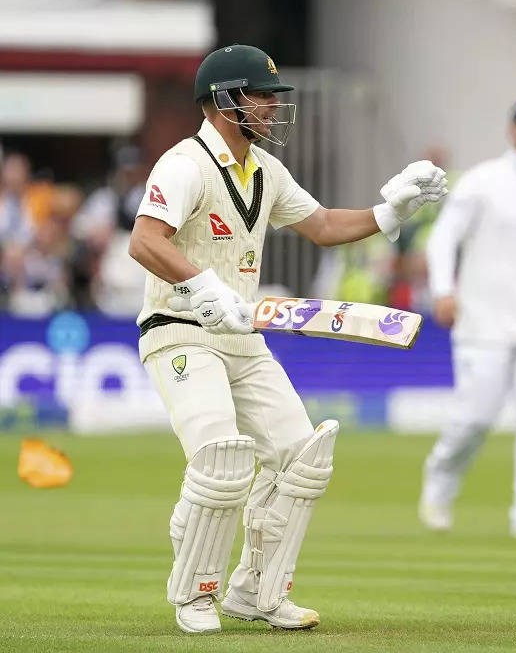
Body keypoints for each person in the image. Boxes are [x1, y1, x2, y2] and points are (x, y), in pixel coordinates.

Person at [129, 44, 446, 633]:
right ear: (225, 100)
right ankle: (197, 594)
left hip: (242, 336)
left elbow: (321, 226)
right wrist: (202, 286)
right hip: (180, 332)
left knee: (301, 455)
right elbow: (145, 240)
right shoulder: (185, 164)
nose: (273, 106)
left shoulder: (264, 170)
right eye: (261, 94)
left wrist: (389, 212)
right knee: (221, 458)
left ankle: (256, 591)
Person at [418, 96, 516, 537]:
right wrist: (443, 291)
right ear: (512, 130)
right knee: (474, 418)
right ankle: (440, 483)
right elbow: (442, 239)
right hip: (481, 323)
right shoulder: (480, 182)